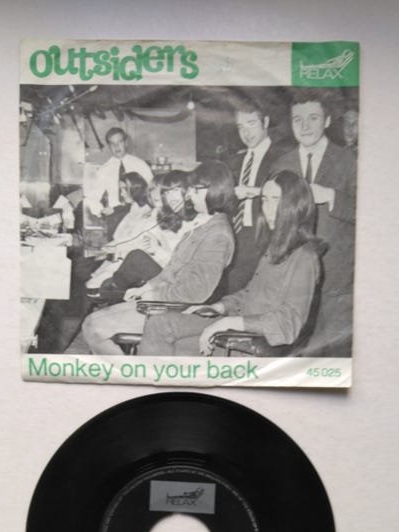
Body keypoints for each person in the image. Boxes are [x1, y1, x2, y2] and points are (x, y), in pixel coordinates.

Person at [138, 171, 323, 356]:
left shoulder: (304, 257)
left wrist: (229, 323)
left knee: (163, 336)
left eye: (276, 200)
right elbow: (250, 295)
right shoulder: (276, 247)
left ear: (295, 206)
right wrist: (219, 307)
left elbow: (288, 323)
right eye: (264, 200)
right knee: (159, 323)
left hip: (248, 340)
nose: (268, 209)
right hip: (235, 325)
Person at [80, 160, 236, 355]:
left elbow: (196, 291)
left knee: (94, 327)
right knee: (91, 324)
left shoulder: (218, 234)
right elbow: (174, 268)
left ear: (213, 191)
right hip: (170, 302)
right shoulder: (204, 224)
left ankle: (129, 372)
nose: (189, 194)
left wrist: (155, 295)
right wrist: (148, 287)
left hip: (181, 310)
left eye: (195, 190)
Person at [272, 89, 357, 354]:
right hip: (293, 281)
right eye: (297, 120)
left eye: (313, 118)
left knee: (336, 358)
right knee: (298, 358)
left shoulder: (349, 161)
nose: (305, 126)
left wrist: (332, 196)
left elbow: (373, 214)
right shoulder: (281, 164)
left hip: (337, 280)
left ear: (327, 121)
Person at [85, 170, 196, 305]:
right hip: (161, 269)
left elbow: (178, 265)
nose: (156, 198)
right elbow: (137, 239)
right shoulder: (162, 216)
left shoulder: (188, 223)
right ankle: (112, 289)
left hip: (174, 278)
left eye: (173, 192)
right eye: (166, 193)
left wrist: (156, 250)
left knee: (135, 257)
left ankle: (112, 289)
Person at [225, 97, 283, 292]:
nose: (246, 133)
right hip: (235, 235)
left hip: (265, 236)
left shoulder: (282, 157)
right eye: (240, 127)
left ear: (265, 122)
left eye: (251, 124)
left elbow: (288, 194)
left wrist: (255, 192)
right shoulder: (234, 160)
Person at [84, 127, 153, 238]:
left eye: (119, 142)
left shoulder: (141, 165)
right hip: (115, 219)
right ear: (109, 146)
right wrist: (101, 210)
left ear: (126, 142)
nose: (117, 147)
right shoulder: (104, 169)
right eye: (112, 144)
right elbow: (91, 197)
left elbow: (152, 191)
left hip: (139, 217)